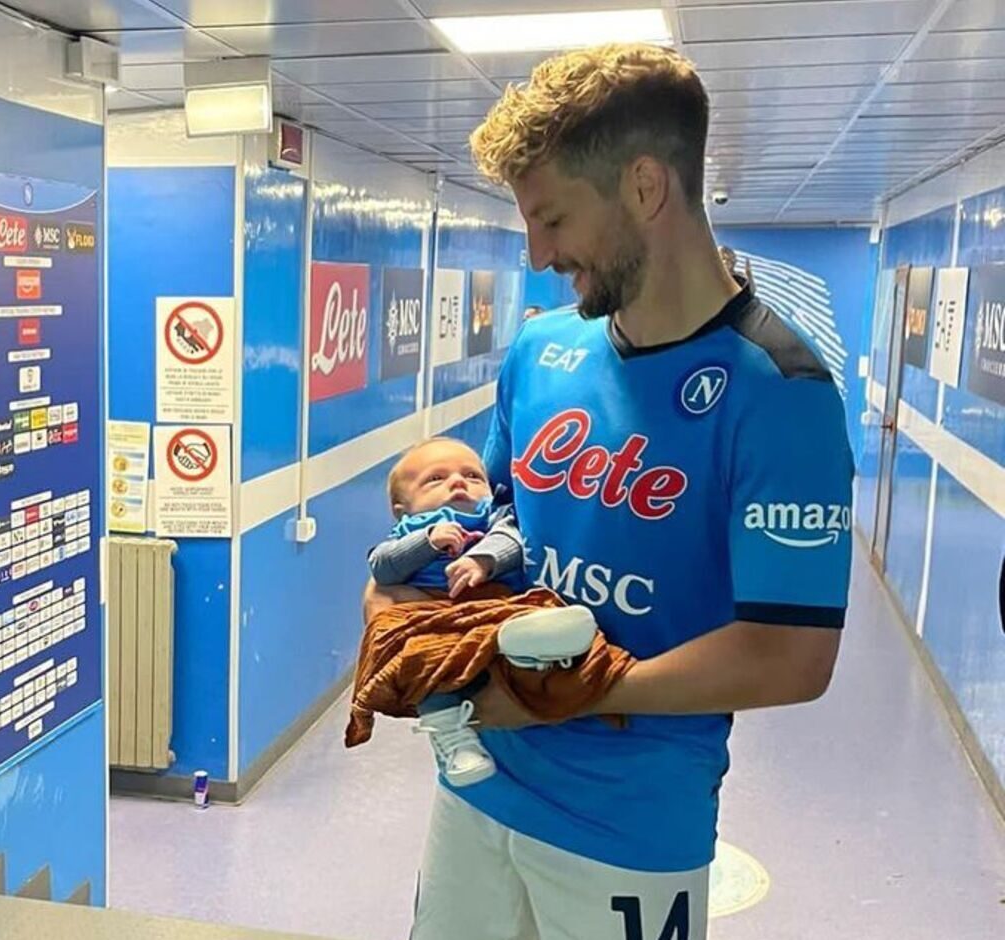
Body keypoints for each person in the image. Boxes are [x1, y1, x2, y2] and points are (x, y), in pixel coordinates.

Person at [365, 43, 853, 940]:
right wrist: (409, 597)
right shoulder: (540, 350)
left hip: (631, 825)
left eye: (551, 220)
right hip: (478, 791)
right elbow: (492, 520)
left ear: (644, 188)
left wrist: (583, 693)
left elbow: (791, 657)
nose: (537, 252)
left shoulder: (780, 394)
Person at [360, 437, 608, 787]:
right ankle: (454, 739)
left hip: (494, 606)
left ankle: (535, 650)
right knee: (424, 661)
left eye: (473, 476)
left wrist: (483, 559)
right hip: (434, 618)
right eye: (435, 479)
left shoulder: (495, 517)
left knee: (528, 609)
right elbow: (382, 568)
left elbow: (511, 539)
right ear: (403, 509)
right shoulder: (408, 531)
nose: (458, 482)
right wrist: (427, 540)